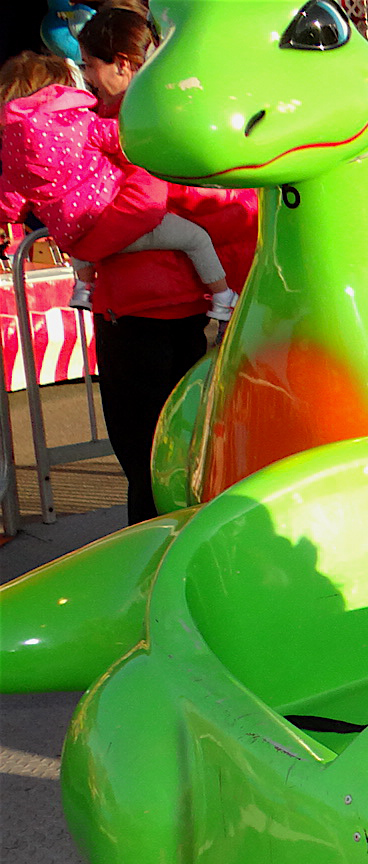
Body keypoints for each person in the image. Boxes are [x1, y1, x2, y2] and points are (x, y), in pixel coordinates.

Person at [72, 7, 259, 524]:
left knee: (149, 459)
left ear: (125, 65)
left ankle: (152, 571)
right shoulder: (163, 110)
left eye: (91, 64)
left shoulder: (137, 121)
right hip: (166, 302)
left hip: (144, 309)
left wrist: (85, 245)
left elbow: (141, 200)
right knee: (170, 455)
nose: (86, 76)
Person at [0, 52, 238, 318]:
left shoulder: (11, 153)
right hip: (118, 218)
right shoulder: (80, 123)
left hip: (76, 232)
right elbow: (124, 142)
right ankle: (222, 297)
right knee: (196, 238)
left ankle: (83, 289)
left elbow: (10, 205)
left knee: (74, 232)